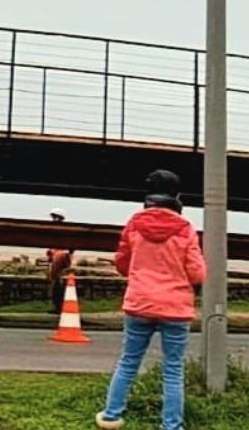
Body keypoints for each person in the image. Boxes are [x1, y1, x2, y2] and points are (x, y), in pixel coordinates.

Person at [96, 169, 204, 430]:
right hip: (175, 308)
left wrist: (141, 269)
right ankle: (171, 426)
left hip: (139, 303)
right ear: (177, 197)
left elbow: (121, 264)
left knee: (129, 361)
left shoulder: (134, 224)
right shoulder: (186, 229)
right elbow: (197, 273)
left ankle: (111, 415)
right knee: (173, 369)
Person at [45, 209, 74, 313]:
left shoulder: (62, 229)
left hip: (60, 256)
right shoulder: (59, 230)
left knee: (58, 282)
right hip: (58, 256)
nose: (54, 219)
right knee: (56, 283)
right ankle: (58, 306)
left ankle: (60, 306)